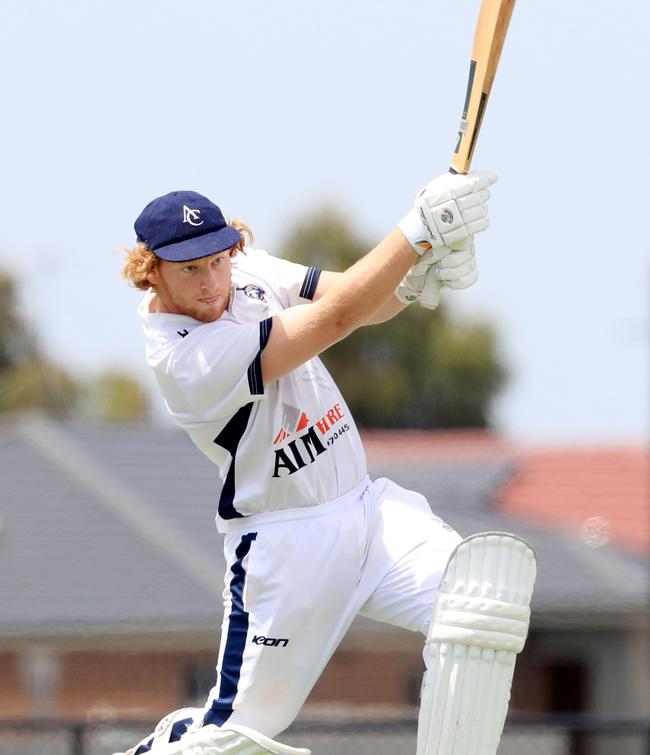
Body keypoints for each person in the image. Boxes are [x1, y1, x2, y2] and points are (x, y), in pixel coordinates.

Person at [117, 171, 536, 755]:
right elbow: (337, 319)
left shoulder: (249, 273)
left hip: (367, 510)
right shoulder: (185, 355)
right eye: (189, 269)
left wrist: (416, 278)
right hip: (286, 549)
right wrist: (416, 231)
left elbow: (362, 302)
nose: (211, 281)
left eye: (217, 261)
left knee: (481, 603)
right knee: (231, 741)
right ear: (150, 269)